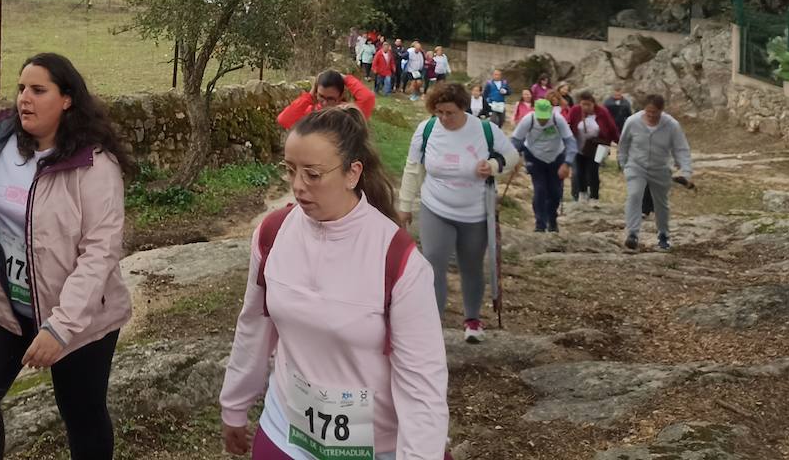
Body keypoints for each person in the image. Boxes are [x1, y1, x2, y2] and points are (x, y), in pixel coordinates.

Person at [220, 107, 449, 459]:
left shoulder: (398, 260)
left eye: (313, 174)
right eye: (291, 170)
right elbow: (253, 325)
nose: (298, 186)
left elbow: (423, 383)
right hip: (287, 433)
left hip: (377, 447)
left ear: (352, 173)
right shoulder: (272, 234)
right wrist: (234, 404)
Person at [0, 53, 136, 460]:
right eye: (20, 89)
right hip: (5, 306)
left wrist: (60, 328)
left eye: (38, 90)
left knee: (82, 414)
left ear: (66, 99)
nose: (24, 99)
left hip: (79, 319)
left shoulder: (94, 165)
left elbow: (100, 253)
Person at [399, 81, 519, 343]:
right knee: (433, 263)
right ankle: (433, 323)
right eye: (439, 112)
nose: (443, 118)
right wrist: (405, 206)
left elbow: (511, 156)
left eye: (449, 112)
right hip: (435, 207)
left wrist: (492, 165)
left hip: (475, 213)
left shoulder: (485, 130)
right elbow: (412, 168)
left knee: (471, 266)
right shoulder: (427, 129)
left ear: (463, 108)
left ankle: (472, 319)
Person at [618, 93, 694, 252]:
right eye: (648, 112)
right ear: (644, 110)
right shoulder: (632, 122)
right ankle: (632, 233)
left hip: (660, 168)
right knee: (634, 195)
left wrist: (686, 171)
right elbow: (623, 144)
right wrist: (624, 164)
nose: (651, 116)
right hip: (636, 166)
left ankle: (663, 235)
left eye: (655, 113)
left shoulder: (671, 125)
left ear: (662, 110)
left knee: (661, 204)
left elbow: (681, 149)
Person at [511, 98, 575, 233]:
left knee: (555, 192)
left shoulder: (558, 120)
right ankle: (540, 223)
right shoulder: (528, 120)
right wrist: (514, 158)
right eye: (540, 118)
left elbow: (570, 142)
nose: (543, 121)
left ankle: (552, 219)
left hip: (556, 156)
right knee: (540, 189)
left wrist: (567, 163)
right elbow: (516, 140)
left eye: (545, 118)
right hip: (534, 155)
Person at [566, 91, 619, 204]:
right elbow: (569, 124)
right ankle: (582, 193)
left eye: (588, 104)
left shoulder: (602, 112)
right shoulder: (575, 111)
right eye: (583, 104)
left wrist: (617, 141)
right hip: (579, 146)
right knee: (579, 170)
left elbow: (611, 127)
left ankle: (594, 197)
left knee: (593, 170)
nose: (585, 107)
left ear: (593, 103)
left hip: (599, 146)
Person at [277, 68, 376, 128]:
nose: (324, 102)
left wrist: (345, 78)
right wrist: (310, 97)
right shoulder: (311, 111)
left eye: (331, 99)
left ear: (341, 96)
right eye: (321, 96)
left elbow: (368, 98)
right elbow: (284, 120)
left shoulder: (349, 115)